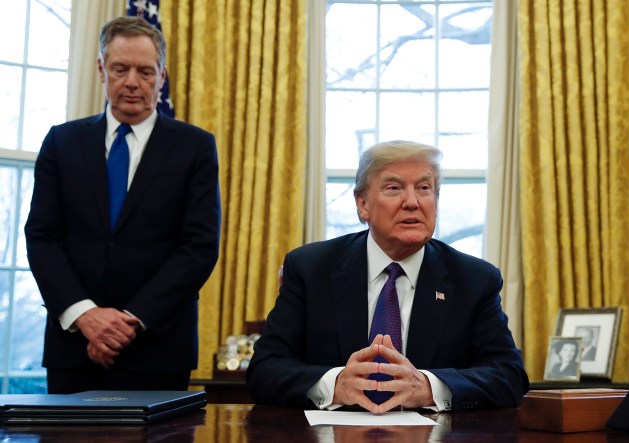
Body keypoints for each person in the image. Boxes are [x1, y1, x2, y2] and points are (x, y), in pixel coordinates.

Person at [246, 140, 529, 413]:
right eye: (394, 188)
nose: (412, 202)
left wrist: (429, 388)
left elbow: (508, 375)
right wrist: (335, 384)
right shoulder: (311, 269)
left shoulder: (474, 279)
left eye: (424, 188)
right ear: (362, 205)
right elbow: (265, 370)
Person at [24, 16, 221, 393]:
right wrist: (86, 316)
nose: (132, 81)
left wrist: (128, 321)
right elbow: (42, 238)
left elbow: (199, 247)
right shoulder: (61, 142)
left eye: (145, 71)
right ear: (102, 70)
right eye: (120, 69)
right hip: (73, 347)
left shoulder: (195, 147)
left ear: (161, 76)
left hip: (158, 348)